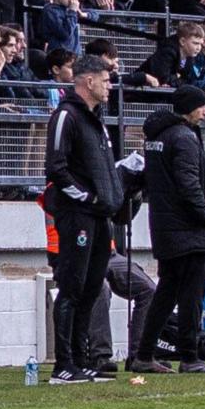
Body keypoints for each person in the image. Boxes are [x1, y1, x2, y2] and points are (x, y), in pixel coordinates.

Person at [41, 53, 137, 382]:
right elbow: (56, 169)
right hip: (78, 215)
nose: (110, 85)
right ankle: (63, 364)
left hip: (99, 216)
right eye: (106, 79)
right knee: (72, 285)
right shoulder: (66, 116)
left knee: (92, 287)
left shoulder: (96, 120)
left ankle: (81, 361)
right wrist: (90, 197)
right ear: (89, 81)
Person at [130, 85, 205, 375]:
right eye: (201, 106)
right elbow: (189, 184)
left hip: (166, 228)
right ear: (189, 107)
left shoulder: (157, 137)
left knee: (166, 293)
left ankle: (144, 354)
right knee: (191, 295)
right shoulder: (184, 137)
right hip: (189, 230)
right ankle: (190, 356)